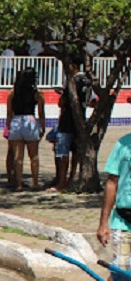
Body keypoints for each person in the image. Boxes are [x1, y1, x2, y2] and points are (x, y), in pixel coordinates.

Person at [94, 133, 131, 281]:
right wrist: (103, 223)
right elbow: (111, 183)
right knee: (119, 271)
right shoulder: (123, 144)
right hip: (124, 222)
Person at [53, 57, 93, 191]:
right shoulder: (87, 81)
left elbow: (62, 102)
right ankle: (71, 179)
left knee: (62, 153)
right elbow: (92, 101)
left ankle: (61, 182)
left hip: (66, 122)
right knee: (75, 153)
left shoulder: (72, 81)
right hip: (80, 121)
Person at [5, 67, 45, 191]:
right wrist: (42, 127)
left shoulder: (12, 92)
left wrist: (8, 127)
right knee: (34, 155)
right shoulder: (37, 93)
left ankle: (19, 184)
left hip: (16, 121)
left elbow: (9, 113)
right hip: (30, 121)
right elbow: (41, 112)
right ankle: (35, 182)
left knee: (18, 157)